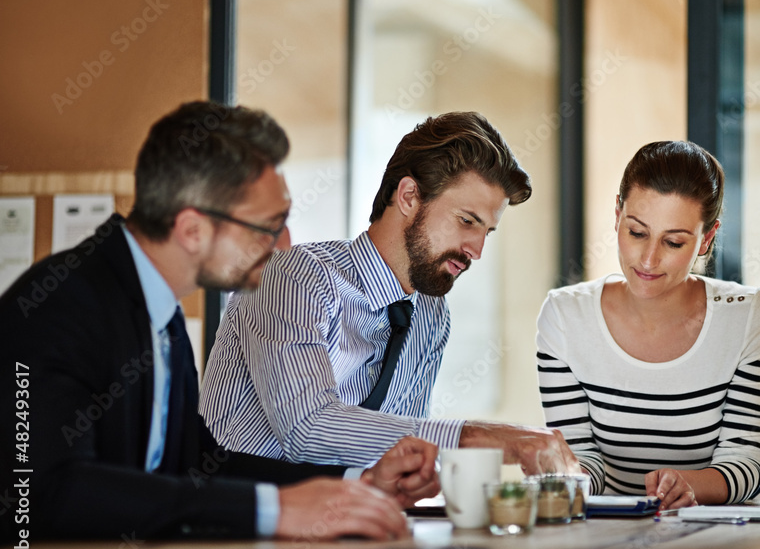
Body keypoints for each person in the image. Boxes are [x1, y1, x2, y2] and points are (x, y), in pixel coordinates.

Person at [0, 101, 439, 543]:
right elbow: (46, 494)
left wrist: (353, 488)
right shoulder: (54, 308)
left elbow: (199, 462)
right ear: (192, 230)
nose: (283, 246)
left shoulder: (162, 314)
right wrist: (272, 510)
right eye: (268, 227)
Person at [199, 111, 578, 474]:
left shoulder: (430, 315)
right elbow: (308, 428)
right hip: (232, 527)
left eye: (486, 232)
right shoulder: (292, 277)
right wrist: (477, 437)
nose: (476, 250)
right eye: (466, 221)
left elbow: (403, 453)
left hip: (346, 524)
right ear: (410, 196)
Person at [537, 141, 760, 507]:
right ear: (618, 215)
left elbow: (744, 461)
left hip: (721, 535)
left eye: (673, 242)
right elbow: (581, 457)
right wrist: (564, 478)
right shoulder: (565, 316)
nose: (649, 259)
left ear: (707, 239)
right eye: (637, 233)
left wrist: (688, 485)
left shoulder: (748, 317)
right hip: (610, 534)